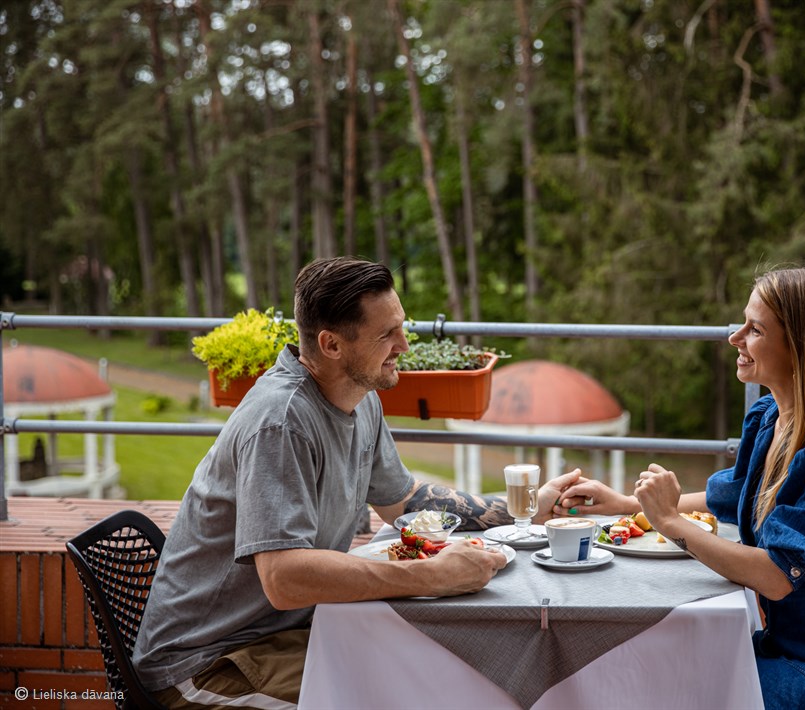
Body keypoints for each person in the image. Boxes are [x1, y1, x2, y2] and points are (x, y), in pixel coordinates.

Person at [133, 257, 582, 709]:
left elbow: (405, 501)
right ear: (331, 344)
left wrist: (525, 510)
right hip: (207, 664)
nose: (404, 345)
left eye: (402, 328)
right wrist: (431, 576)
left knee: (437, 675)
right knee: (399, 697)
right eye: (387, 335)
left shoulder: (360, 400)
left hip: (284, 637)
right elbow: (284, 578)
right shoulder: (281, 423)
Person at [557, 267, 805, 709]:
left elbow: (777, 577)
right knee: (667, 666)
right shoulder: (770, 419)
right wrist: (626, 505)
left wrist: (671, 522)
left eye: (755, 329)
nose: (735, 338)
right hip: (797, 651)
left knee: (682, 692)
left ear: (800, 345)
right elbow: (733, 498)